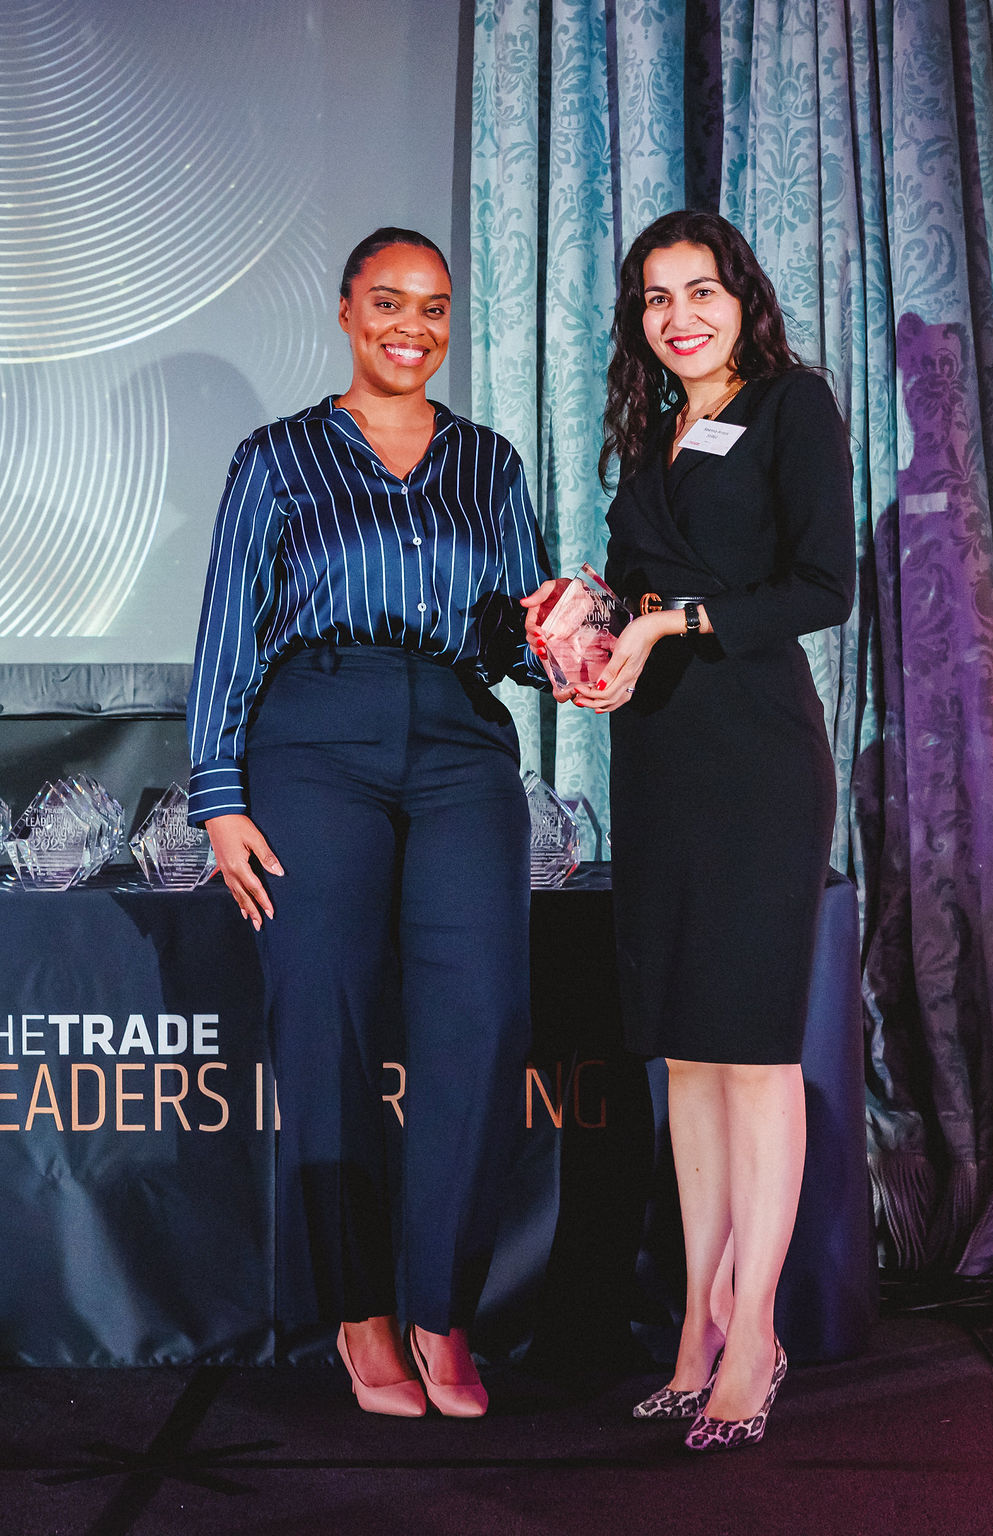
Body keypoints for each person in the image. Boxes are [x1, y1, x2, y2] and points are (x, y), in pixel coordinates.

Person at [187, 227, 550, 1418]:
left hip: (456, 742)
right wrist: (219, 795)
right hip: (313, 738)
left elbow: (513, 634)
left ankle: (443, 1309)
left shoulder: (488, 462)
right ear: (346, 311)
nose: (412, 326)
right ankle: (359, 1313)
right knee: (323, 1015)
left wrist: (565, 641)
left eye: (433, 307)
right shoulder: (277, 457)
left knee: (483, 1016)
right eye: (388, 302)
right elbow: (229, 627)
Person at [524, 210, 855, 1450]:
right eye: (657, 298)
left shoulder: (789, 408)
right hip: (659, 760)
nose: (680, 316)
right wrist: (586, 627)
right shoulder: (652, 431)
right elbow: (638, 594)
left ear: (741, 297)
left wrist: (677, 624)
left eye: (700, 291)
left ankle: (755, 1331)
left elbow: (824, 585)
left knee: (752, 1053)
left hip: (756, 759)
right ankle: (695, 1328)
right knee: (690, 1056)